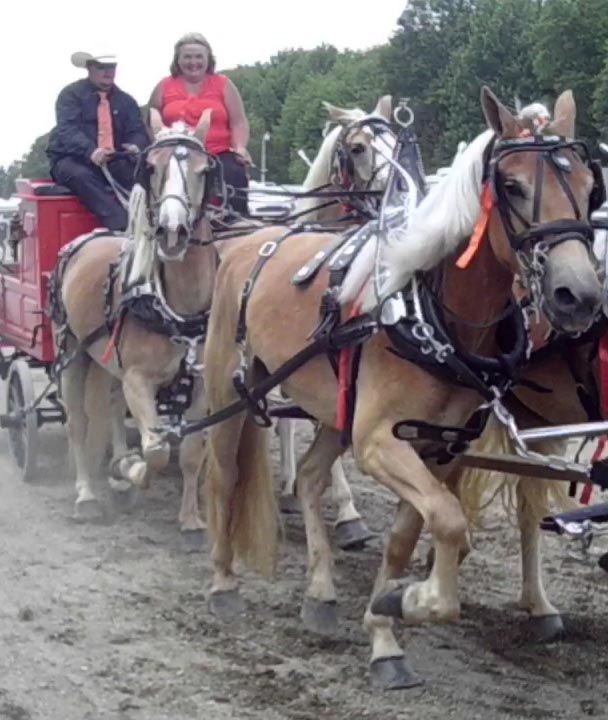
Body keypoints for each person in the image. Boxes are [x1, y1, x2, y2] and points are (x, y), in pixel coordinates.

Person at [148, 33, 251, 217]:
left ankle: (237, 224)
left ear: (208, 59)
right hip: (175, 154)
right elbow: (151, 121)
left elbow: (238, 122)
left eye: (198, 57)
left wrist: (240, 148)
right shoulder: (164, 86)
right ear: (177, 60)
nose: (193, 62)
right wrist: (157, 150)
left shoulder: (224, 84)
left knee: (234, 173)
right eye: (187, 57)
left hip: (217, 153)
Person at [47, 52, 150, 231]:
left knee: (143, 176)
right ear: (89, 68)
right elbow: (67, 130)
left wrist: (135, 146)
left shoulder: (126, 101)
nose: (107, 72)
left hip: (114, 159)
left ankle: (152, 224)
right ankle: (121, 224)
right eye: (101, 67)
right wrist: (90, 151)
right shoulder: (70, 95)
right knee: (81, 177)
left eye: (111, 67)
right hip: (72, 160)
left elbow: (137, 131)